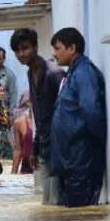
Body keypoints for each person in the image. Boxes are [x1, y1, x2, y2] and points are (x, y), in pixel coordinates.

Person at [50, 27, 107, 208]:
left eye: (58, 48)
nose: (54, 54)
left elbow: (91, 112)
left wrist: (91, 145)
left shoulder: (84, 74)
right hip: (70, 160)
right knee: (73, 220)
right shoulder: (72, 73)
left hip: (81, 160)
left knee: (80, 216)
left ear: (72, 48)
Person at [10, 28, 65, 205]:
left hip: (60, 146)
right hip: (45, 145)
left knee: (57, 200)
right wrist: (35, 148)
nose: (21, 54)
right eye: (17, 50)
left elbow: (65, 110)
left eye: (25, 48)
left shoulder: (54, 74)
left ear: (35, 46)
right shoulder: (29, 73)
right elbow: (39, 115)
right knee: (47, 203)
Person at [11, 92, 34, 175]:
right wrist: (13, 176)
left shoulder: (49, 121)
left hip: (43, 170)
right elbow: (18, 151)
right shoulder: (19, 123)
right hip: (26, 171)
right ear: (28, 103)